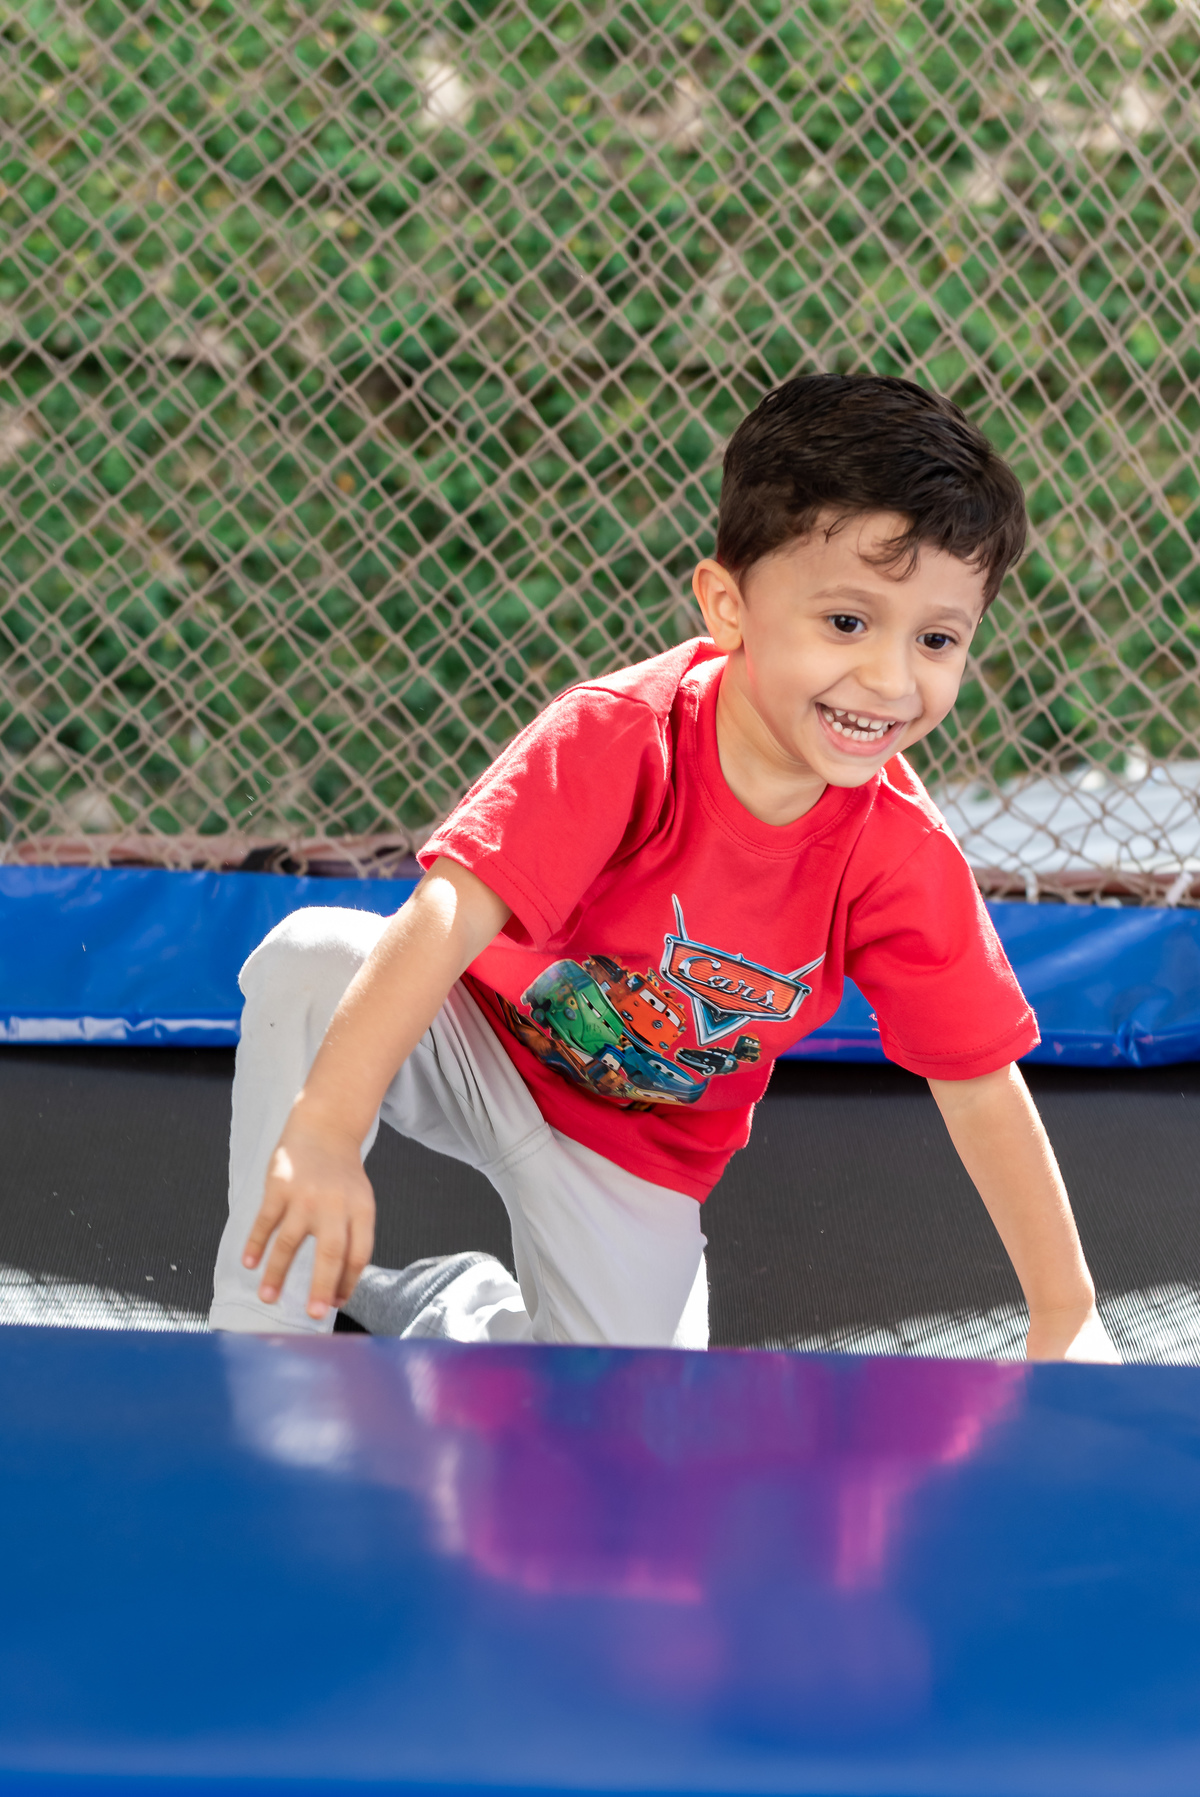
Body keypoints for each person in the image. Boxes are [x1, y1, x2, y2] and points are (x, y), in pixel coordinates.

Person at [209, 372, 1118, 1362]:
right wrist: (328, 1129)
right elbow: (446, 914)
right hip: (480, 1044)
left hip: (635, 1152)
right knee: (312, 960)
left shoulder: (899, 851)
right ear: (728, 606)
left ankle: (455, 1312)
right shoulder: (622, 735)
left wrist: (1065, 1310)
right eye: (847, 623)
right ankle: (263, 1340)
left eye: (937, 639)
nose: (890, 679)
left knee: (630, 1414)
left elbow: (978, 1082)